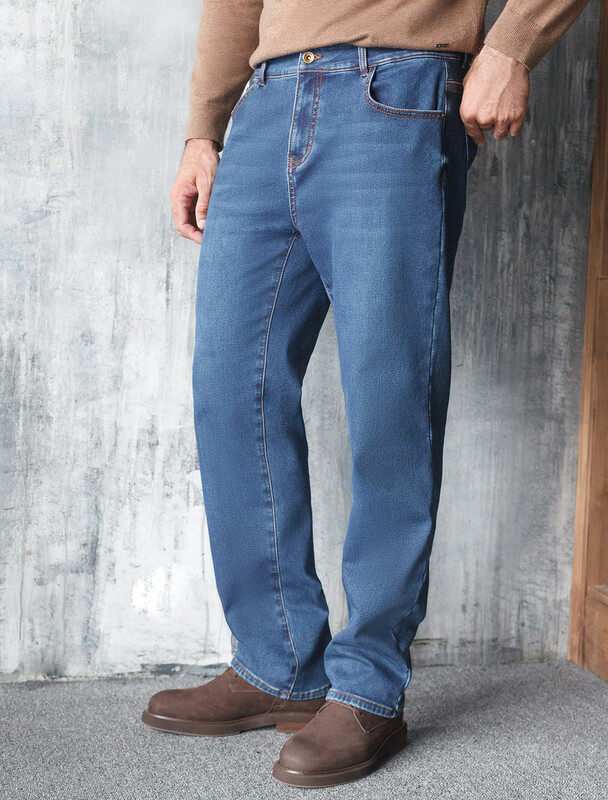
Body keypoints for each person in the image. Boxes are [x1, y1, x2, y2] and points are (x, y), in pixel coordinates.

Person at [142, 0, 591, 788]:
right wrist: (202, 131)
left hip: (395, 89)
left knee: (391, 397)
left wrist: (512, 45)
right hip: (266, 104)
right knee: (231, 389)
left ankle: (368, 685)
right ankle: (278, 662)